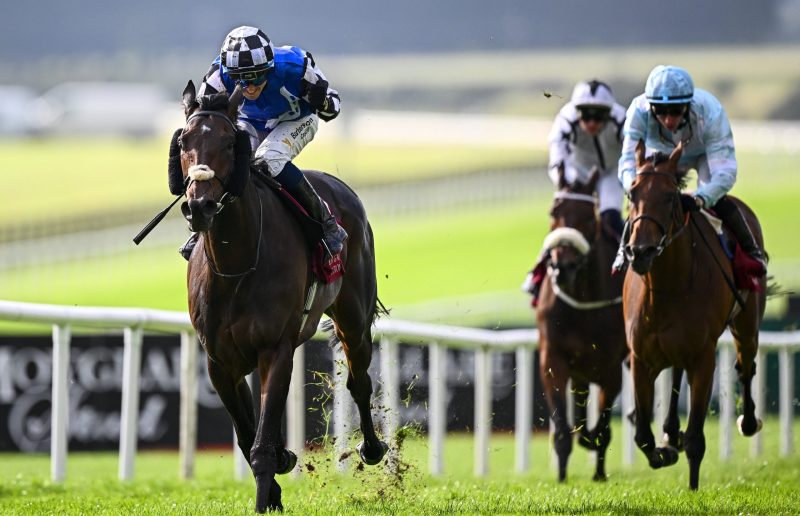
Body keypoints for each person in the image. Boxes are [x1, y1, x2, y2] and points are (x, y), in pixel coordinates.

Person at [179, 26, 346, 259]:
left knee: (269, 158)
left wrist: (323, 102)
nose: (248, 87)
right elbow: (205, 123)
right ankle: (201, 228)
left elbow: (333, 108)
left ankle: (326, 222)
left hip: (296, 120)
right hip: (250, 122)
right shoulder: (218, 75)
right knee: (228, 160)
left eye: (255, 77)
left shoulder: (296, 66)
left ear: (269, 68)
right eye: (240, 79)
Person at [612, 65, 767, 275]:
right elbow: (628, 161)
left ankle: (752, 251)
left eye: (676, 111)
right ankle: (623, 249)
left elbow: (725, 173)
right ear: (651, 107)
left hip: (703, 154)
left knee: (716, 198)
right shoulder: (638, 110)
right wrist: (633, 187)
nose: (668, 120)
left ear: (688, 105)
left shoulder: (711, 112)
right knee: (646, 196)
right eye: (661, 112)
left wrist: (700, 198)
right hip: (660, 154)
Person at [521, 80, 626, 303]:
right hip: (577, 173)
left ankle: (629, 264)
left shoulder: (621, 119)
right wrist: (566, 181)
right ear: (577, 112)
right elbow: (556, 157)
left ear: (609, 113)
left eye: (598, 116)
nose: (591, 123)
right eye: (586, 115)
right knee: (565, 220)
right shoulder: (565, 119)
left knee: (610, 216)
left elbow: (633, 152)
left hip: (611, 172)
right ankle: (538, 274)